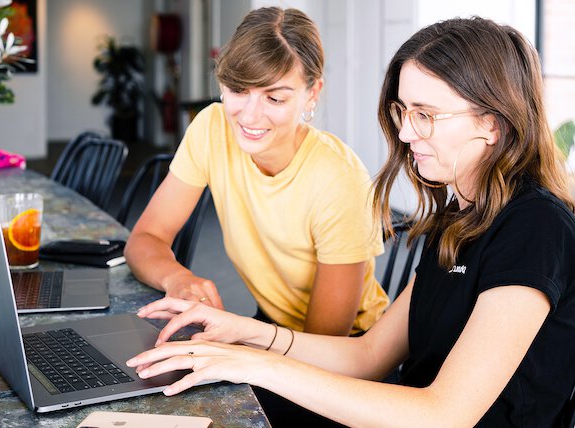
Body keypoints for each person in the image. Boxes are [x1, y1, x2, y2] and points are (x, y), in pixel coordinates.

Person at [125, 17, 575, 427]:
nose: (403, 133)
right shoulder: (461, 215)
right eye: (403, 111)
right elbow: (369, 355)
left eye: (426, 115)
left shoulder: (536, 226)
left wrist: (253, 362)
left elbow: (446, 415)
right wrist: (245, 333)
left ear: (491, 124)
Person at [124, 6, 388, 338]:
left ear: (312, 95)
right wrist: (178, 278)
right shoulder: (212, 127)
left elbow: (325, 345)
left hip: (347, 353)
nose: (249, 117)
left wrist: (239, 337)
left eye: (274, 98)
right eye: (238, 90)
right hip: (272, 325)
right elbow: (144, 239)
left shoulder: (339, 180)